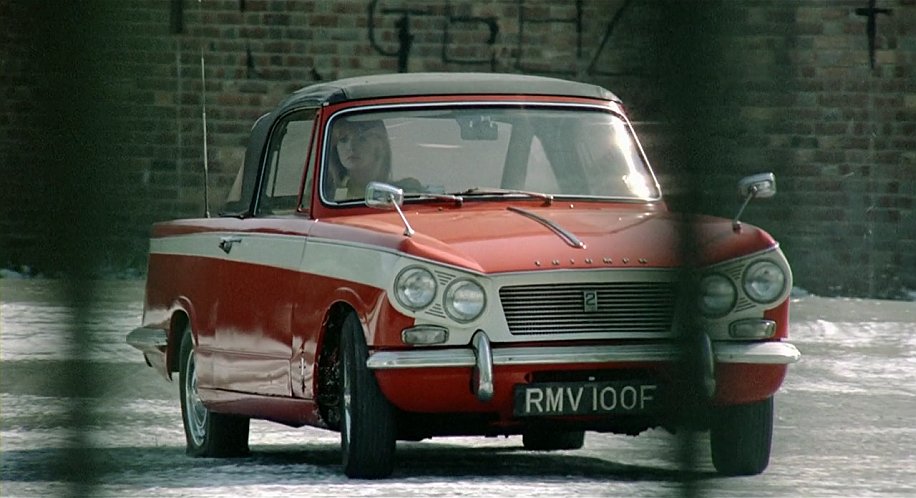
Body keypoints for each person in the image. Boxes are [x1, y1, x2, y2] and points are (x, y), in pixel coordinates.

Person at [325, 118, 392, 200]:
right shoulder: (325, 191)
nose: (351, 147)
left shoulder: (404, 191)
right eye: (343, 139)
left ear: (379, 146)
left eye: (361, 139)